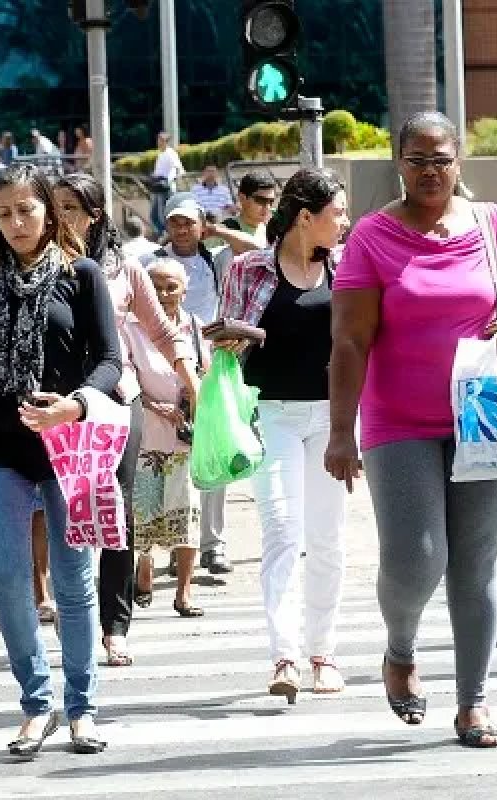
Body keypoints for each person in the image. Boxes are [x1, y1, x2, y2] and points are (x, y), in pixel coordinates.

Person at [326, 111, 497, 749]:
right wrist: (342, 431)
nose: (429, 170)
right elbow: (350, 340)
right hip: (399, 420)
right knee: (418, 558)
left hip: (484, 412)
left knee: (475, 566)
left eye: (440, 158)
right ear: (398, 162)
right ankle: (400, 649)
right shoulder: (372, 236)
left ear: (459, 160)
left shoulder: (489, 223)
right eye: (417, 159)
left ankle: (473, 703)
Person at [0, 164, 121, 755]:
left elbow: (111, 361)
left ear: (50, 212)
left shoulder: (83, 276)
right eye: (3, 213)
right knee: (11, 582)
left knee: (73, 580)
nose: (15, 222)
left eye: (26, 211)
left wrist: (76, 404)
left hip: (69, 445)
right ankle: (37, 705)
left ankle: (82, 706)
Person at [54, 172, 199, 666]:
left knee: (118, 509)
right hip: (60, 406)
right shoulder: (40, 267)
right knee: (67, 509)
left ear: (94, 215)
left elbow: (162, 331)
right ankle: (73, 609)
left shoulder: (125, 270)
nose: (61, 218)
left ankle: (115, 626)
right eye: (55, 207)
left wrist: (191, 381)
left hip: (119, 399)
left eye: (70, 208)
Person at [218, 168, 351, 702]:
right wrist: (238, 337)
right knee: (281, 533)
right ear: (305, 218)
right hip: (269, 414)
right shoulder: (250, 268)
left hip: (333, 418)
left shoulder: (345, 268)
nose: (344, 222)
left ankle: (324, 653)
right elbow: (224, 341)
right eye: (336, 212)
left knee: (327, 539)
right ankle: (285, 656)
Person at [141, 193, 233, 575]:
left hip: (204, 364)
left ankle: (212, 544)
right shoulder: (148, 262)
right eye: (175, 221)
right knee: (158, 467)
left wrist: (215, 231)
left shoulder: (217, 258)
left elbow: (259, 246)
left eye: (189, 222)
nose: (181, 229)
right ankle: (164, 551)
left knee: (209, 461)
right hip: (156, 369)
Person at [129, 257, 207, 619]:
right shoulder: (130, 329)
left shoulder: (195, 328)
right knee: (144, 512)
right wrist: (156, 405)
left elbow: (206, 376)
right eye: (155, 286)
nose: (162, 294)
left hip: (186, 437)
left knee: (187, 510)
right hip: (145, 434)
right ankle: (143, 569)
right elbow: (123, 379)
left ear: (185, 289)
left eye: (170, 286)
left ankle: (184, 591)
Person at [223, 169, 278, 249]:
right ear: (242, 198)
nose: (267, 207)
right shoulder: (222, 232)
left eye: (271, 201)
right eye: (261, 200)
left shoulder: (274, 231)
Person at [150, 132, 185, 235]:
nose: (159, 142)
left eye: (161, 140)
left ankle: (166, 235)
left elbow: (177, 168)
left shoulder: (170, 153)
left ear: (166, 141)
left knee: (163, 215)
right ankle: (163, 235)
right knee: (154, 215)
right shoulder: (161, 154)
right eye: (158, 140)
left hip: (166, 187)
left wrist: (168, 181)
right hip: (158, 186)